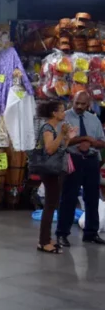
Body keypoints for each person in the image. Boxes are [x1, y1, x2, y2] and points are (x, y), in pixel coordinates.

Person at [58, 91, 105, 246]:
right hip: (73, 161)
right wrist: (83, 139)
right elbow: (62, 142)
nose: (79, 106)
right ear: (73, 100)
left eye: (82, 104)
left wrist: (91, 143)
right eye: (76, 102)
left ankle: (91, 233)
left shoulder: (94, 120)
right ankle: (62, 234)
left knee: (92, 198)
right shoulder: (64, 117)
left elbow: (102, 142)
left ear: (88, 104)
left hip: (91, 161)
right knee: (68, 198)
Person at [35, 101, 71, 254]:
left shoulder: (53, 128)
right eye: (62, 111)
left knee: (52, 204)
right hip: (50, 171)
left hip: (55, 171)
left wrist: (66, 136)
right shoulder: (48, 128)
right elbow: (50, 149)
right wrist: (62, 135)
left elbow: (62, 147)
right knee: (50, 206)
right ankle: (44, 242)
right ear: (54, 113)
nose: (64, 113)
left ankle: (47, 239)